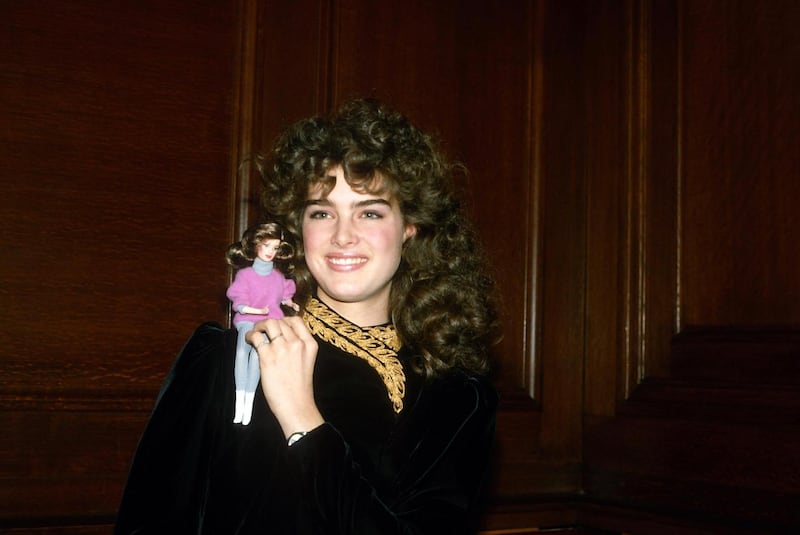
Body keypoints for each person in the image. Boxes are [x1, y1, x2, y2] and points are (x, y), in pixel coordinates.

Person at [115, 98, 499, 534]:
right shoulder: (228, 361)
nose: (343, 235)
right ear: (300, 228)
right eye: (322, 212)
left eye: (369, 211)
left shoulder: (458, 396)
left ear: (410, 226)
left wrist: (303, 421)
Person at [225, 222, 298, 426]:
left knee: (259, 356)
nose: (270, 252)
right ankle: (239, 401)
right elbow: (239, 304)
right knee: (242, 351)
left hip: (268, 321)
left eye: (274, 248)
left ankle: (248, 402)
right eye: (266, 246)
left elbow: (283, 295)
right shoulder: (245, 275)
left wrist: (289, 302)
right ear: (256, 245)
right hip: (248, 320)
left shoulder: (278, 277)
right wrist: (256, 311)